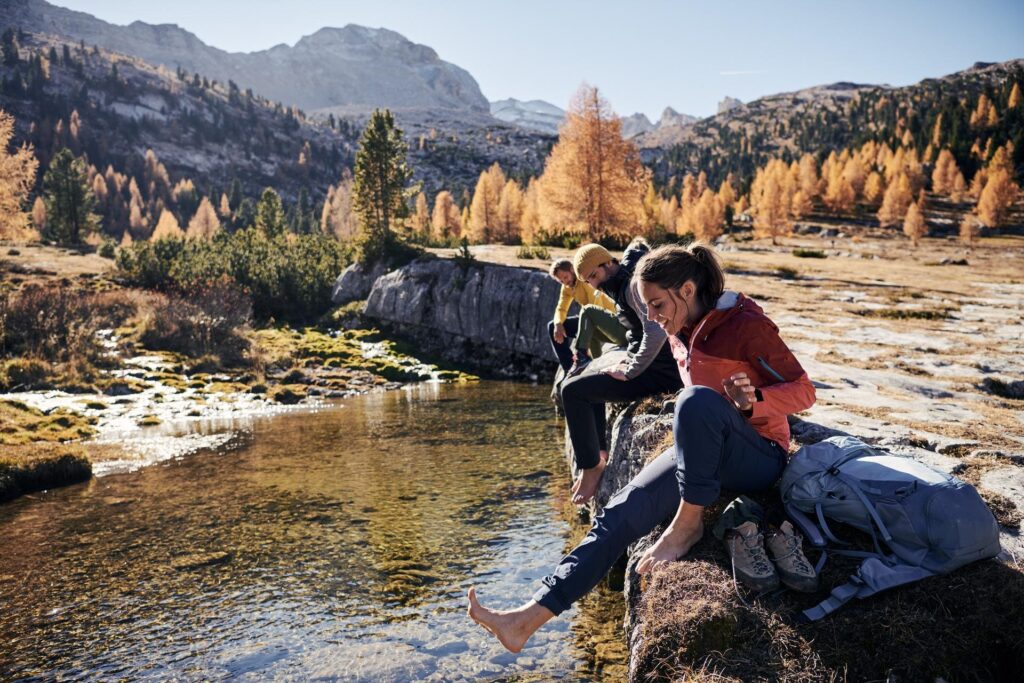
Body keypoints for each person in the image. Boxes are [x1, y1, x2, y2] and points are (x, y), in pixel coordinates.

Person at [467, 242, 816, 653]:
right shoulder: (679, 328)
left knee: (695, 400)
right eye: (646, 306)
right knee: (619, 512)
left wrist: (753, 400)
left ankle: (687, 526)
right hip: (704, 450)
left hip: (759, 454)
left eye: (656, 305)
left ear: (687, 290)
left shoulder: (744, 325)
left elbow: (804, 391)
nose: (650, 316)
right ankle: (525, 619)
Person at [560, 240, 682, 505]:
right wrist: (629, 359)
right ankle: (599, 454)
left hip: (660, 374)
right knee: (587, 381)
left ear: (608, 263)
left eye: (594, 275)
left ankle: (591, 467)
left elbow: (656, 331)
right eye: (588, 280)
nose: (594, 284)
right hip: (656, 368)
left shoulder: (632, 286)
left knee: (572, 391)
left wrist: (631, 370)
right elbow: (638, 332)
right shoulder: (624, 281)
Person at [547, 259, 618, 374]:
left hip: (606, 319)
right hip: (589, 319)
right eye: (561, 281)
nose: (565, 282)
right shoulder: (567, 287)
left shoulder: (586, 280)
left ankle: (584, 359)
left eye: (565, 277)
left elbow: (595, 306)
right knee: (552, 327)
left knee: (586, 320)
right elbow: (561, 308)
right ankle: (569, 367)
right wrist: (558, 324)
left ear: (572, 269)